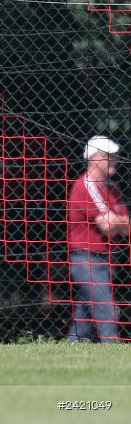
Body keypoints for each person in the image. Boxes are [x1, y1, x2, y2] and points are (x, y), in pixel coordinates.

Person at [66, 135, 129, 343]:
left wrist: (116, 221)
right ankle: (111, 345)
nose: (115, 161)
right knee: (105, 308)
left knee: (84, 316)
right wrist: (117, 221)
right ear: (94, 158)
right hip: (87, 259)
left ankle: (72, 345)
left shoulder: (112, 187)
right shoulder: (85, 185)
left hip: (106, 259)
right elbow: (107, 227)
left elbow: (125, 227)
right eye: (109, 156)